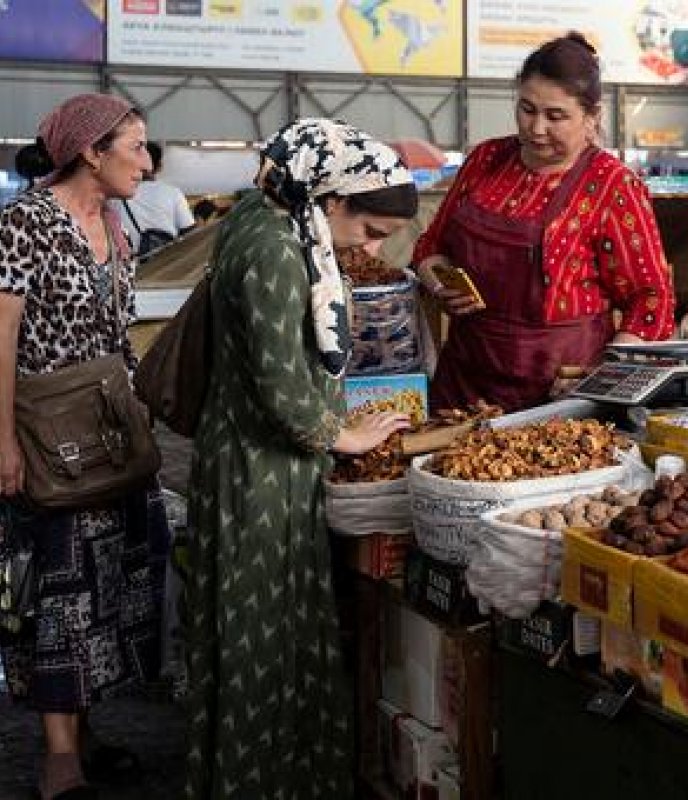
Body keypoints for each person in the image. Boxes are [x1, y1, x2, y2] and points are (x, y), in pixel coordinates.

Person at [184, 118, 416, 800]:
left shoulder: (274, 215)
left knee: (265, 637)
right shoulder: (277, 251)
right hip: (259, 477)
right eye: (369, 231)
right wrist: (346, 435)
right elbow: (283, 389)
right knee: (260, 645)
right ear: (334, 200)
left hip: (260, 466)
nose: (368, 248)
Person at [0, 93, 168, 800]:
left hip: (109, 435)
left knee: (113, 588)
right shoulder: (25, 223)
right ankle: (57, 759)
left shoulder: (116, 223)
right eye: (135, 145)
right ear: (91, 152)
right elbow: (0, 336)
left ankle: (87, 730)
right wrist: (2, 439)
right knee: (61, 591)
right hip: (47, 439)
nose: (148, 160)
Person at [415, 32, 676, 412]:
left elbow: (652, 299)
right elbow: (431, 245)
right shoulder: (486, 159)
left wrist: (603, 375)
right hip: (464, 382)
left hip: (559, 394)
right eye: (527, 109)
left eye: (556, 116)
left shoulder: (611, 185)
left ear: (592, 118)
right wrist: (439, 281)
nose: (536, 128)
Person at [117, 141, 195, 256]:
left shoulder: (117, 194)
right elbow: (189, 233)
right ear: (159, 167)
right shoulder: (173, 193)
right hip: (166, 262)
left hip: (132, 263)